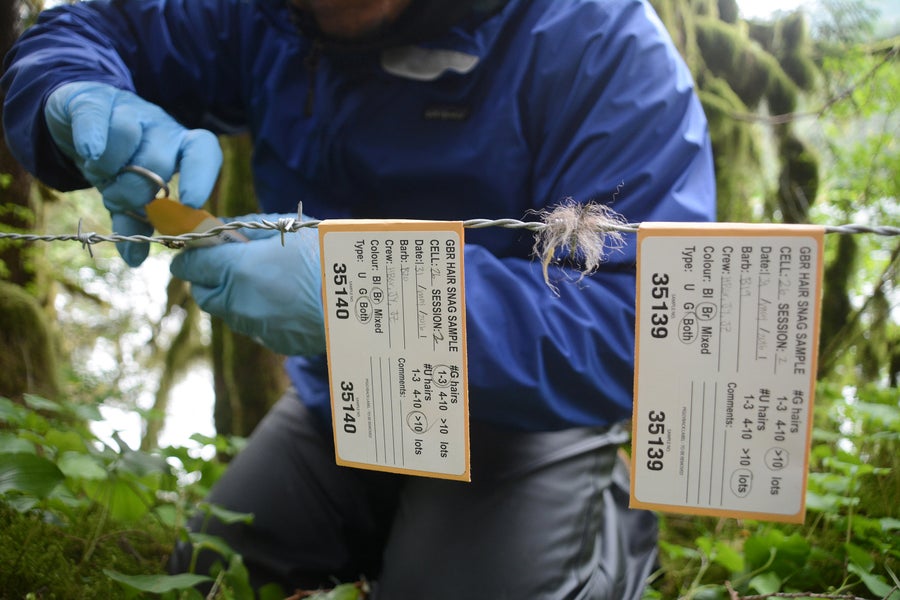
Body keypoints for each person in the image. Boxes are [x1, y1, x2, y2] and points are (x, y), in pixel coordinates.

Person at [2, 0, 716, 597]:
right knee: (215, 575)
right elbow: (95, 28)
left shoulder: (599, 43)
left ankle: (614, 530)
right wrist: (71, 97)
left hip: (519, 415)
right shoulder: (265, 12)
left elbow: (647, 322)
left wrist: (370, 302)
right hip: (339, 398)